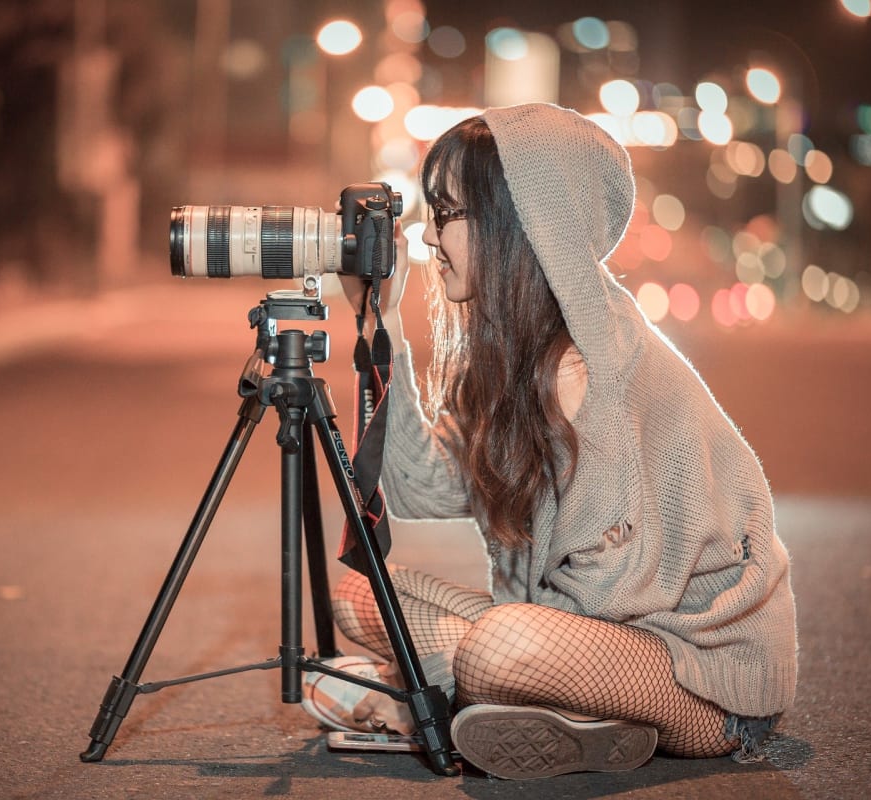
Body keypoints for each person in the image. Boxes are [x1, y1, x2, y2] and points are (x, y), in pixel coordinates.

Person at [301, 102, 798, 780]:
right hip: (575, 640)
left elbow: (614, 600)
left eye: (447, 214)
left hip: (698, 675)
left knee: (501, 646)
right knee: (359, 598)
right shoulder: (515, 359)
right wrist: (381, 326)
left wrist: (475, 655)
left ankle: (441, 703)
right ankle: (544, 716)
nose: (424, 237)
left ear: (523, 223)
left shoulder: (601, 372)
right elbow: (418, 489)